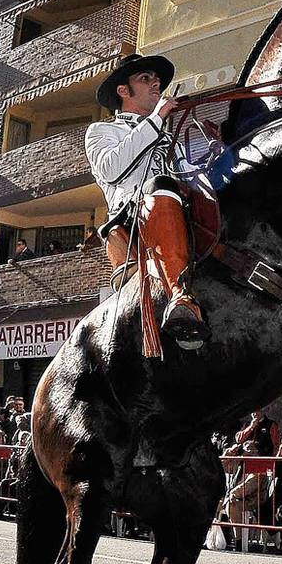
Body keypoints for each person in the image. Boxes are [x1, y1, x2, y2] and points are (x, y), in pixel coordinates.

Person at [87, 54, 210, 347]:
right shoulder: (102, 131)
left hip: (179, 215)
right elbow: (111, 169)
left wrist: (214, 151)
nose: (156, 83)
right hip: (131, 222)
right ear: (123, 91)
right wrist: (156, 120)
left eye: (156, 80)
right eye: (145, 79)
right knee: (161, 186)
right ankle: (179, 295)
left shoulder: (170, 139)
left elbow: (193, 178)